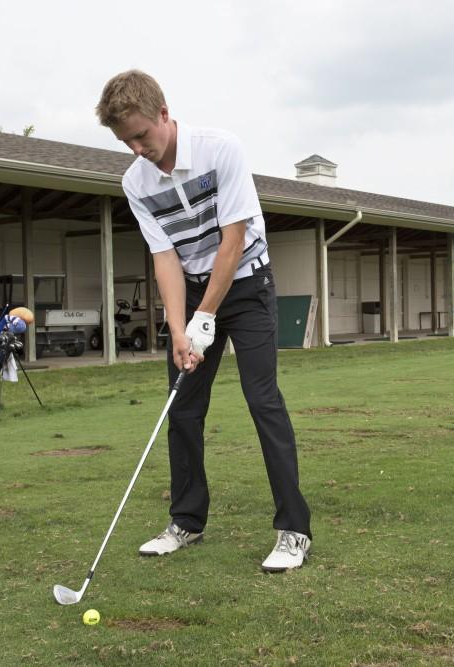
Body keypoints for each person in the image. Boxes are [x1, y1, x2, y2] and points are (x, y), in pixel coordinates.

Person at [95, 70, 312, 571]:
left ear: (164, 115)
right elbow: (165, 257)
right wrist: (178, 328)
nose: (136, 148)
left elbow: (233, 240)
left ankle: (293, 530)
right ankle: (186, 522)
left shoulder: (221, 150)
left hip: (248, 284)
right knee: (183, 409)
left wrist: (206, 316)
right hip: (193, 289)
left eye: (141, 135)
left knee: (263, 400)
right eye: (125, 140)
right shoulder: (135, 182)